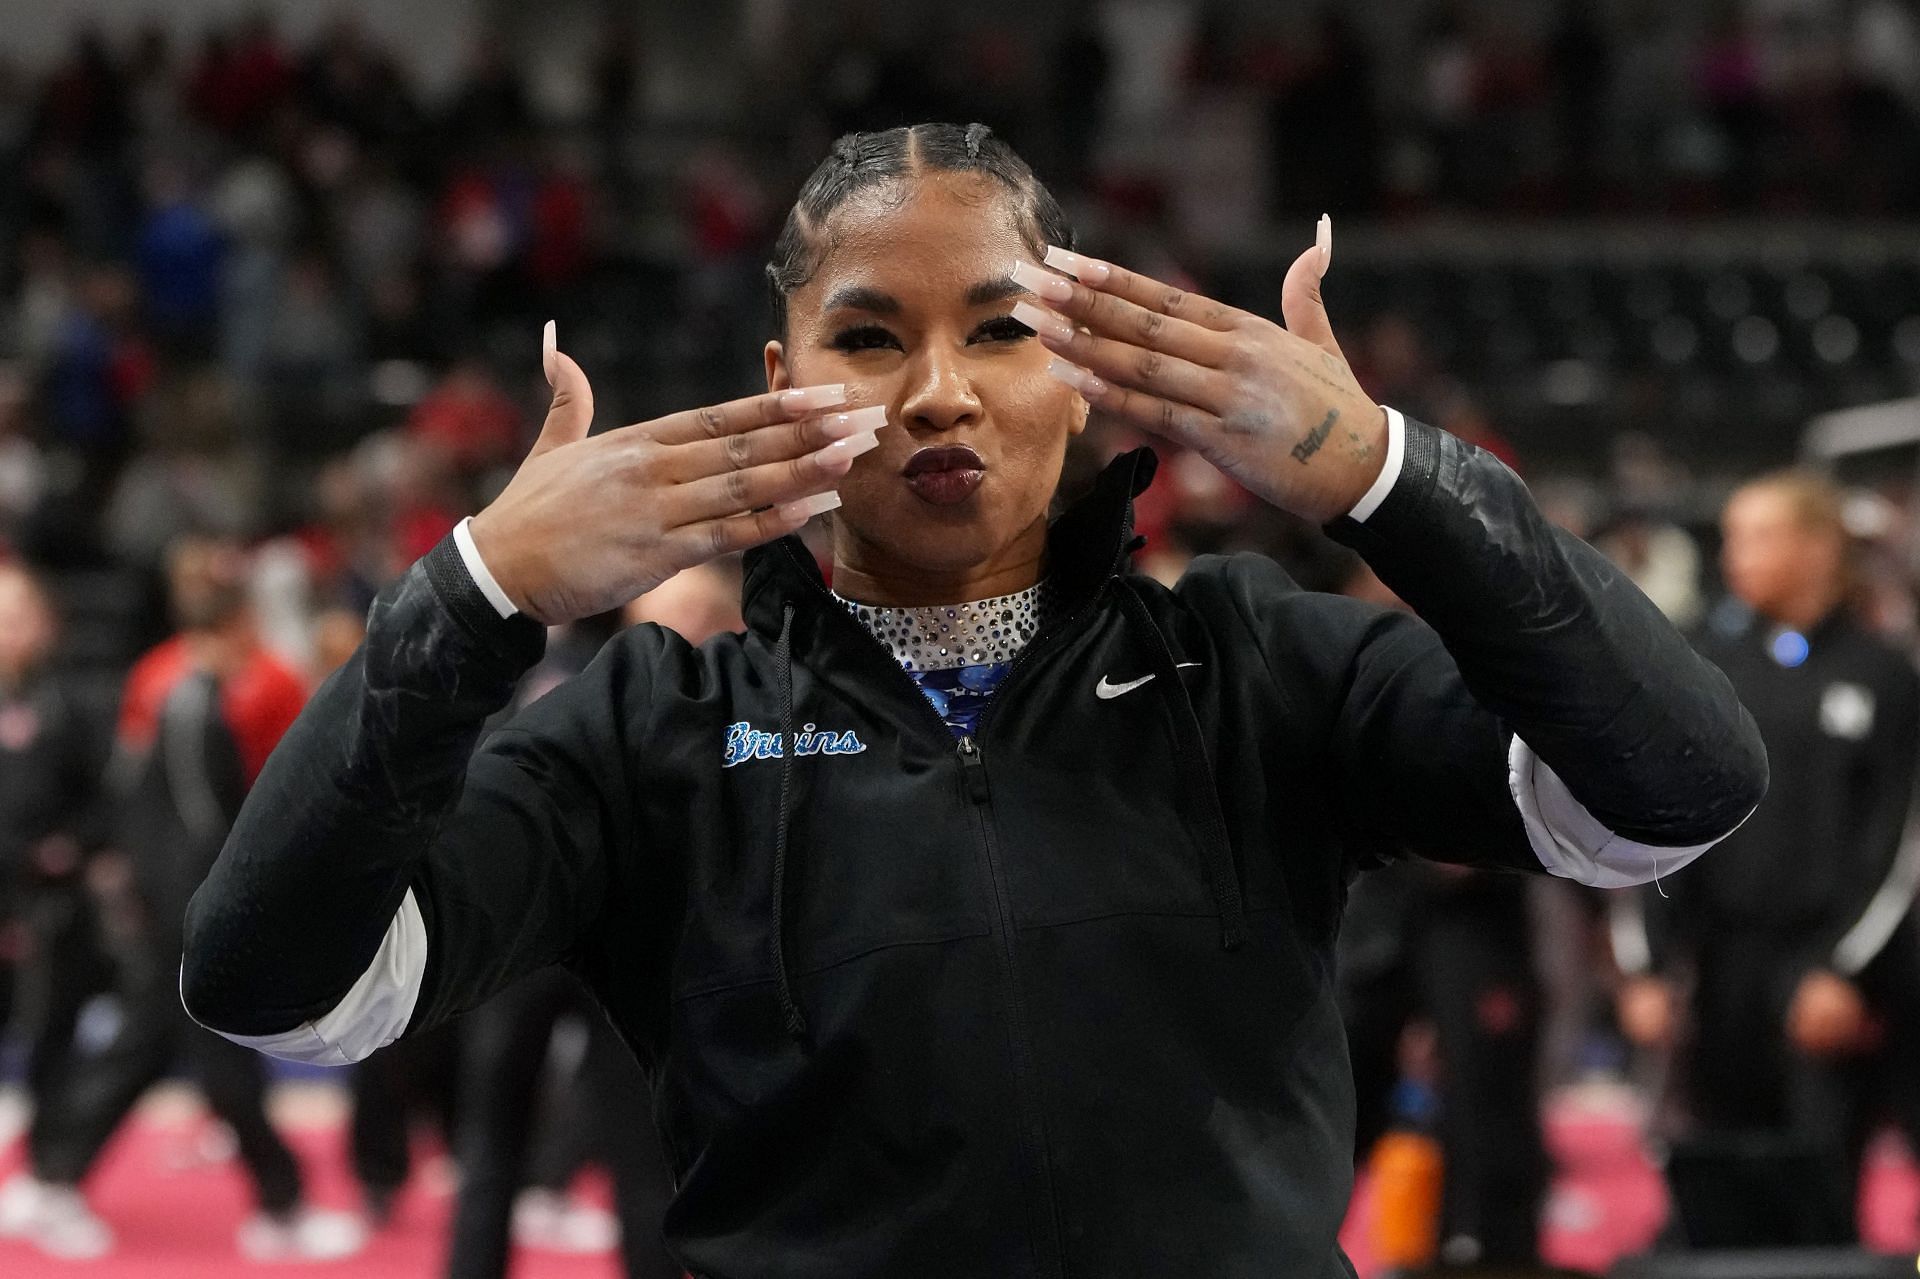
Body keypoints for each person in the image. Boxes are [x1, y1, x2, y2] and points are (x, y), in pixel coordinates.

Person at [180, 123, 1765, 1277]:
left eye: (1001, 327)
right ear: (781, 370)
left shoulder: (1252, 663)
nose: (938, 389)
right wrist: (472, 591)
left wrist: (1389, 478)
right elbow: (279, 986)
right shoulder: (652, 726)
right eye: (868, 333)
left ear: (1081, 365)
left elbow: (1677, 786)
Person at [0, 538, 365, 1262]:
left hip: (179, 891)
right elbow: (257, 801)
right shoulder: (221, 684)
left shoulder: (192, 677)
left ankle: (62, 1173)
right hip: (195, 896)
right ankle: (273, 1199)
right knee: (185, 1042)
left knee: (169, 1041)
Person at [1613, 470, 1920, 1248]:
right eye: (1734, 536)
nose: (1737, 554)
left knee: (1819, 1198)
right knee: (1719, 1188)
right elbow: (1656, 818)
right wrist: (1649, 962)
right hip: (1721, 973)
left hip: (1830, 975)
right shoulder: (1706, 664)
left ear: (1819, 547)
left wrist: (1842, 969)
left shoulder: (1884, 674)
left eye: (1760, 535)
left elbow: (1898, 841)